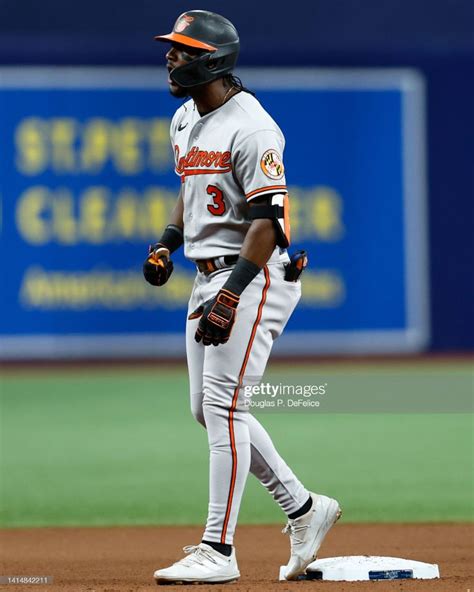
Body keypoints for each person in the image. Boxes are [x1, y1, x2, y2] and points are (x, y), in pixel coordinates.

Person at [144, 9, 341, 585]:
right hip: (209, 274)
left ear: (212, 59)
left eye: (182, 49)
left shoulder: (253, 127)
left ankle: (218, 548)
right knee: (206, 411)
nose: (170, 56)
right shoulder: (185, 118)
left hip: (253, 274)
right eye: (172, 48)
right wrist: (166, 243)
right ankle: (305, 510)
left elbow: (268, 223)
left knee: (226, 408)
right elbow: (191, 187)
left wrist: (230, 296)